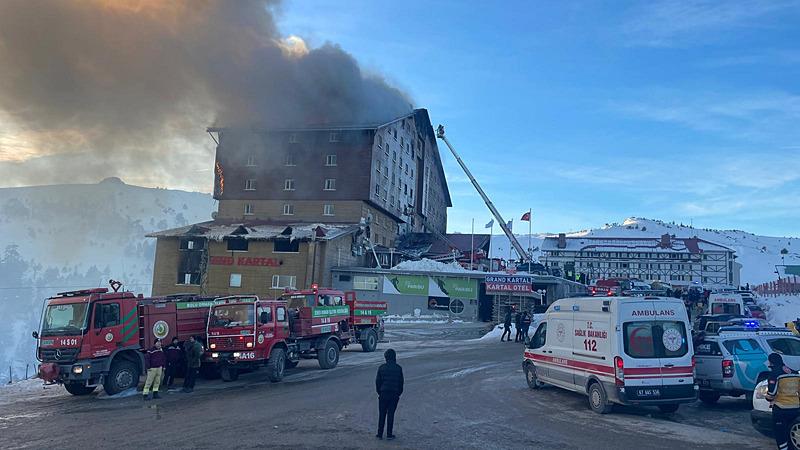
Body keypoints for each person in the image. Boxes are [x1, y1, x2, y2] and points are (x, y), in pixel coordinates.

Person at [765, 352, 800, 450]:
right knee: (791, 434)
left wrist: (767, 397)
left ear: (771, 362)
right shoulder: (794, 373)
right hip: (796, 408)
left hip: (781, 409)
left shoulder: (775, 373)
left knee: (781, 435)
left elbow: (772, 393)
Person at [375, 349, 404, 441]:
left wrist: (380, 392)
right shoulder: (398, 368)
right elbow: (401, 383)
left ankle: (379, 434)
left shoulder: (381, 368)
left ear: (386, 357)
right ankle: (389, 434)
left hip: (383, 393)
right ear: (394, 357)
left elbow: (377, 382)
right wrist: (398, 393)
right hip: (394, 394)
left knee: (382, 414)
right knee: (391, 414)